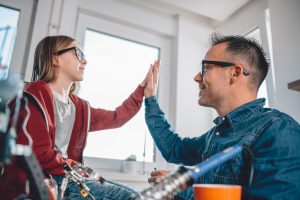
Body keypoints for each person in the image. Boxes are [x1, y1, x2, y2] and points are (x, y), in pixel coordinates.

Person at [143, 34, 300, 199]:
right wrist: (150, 99)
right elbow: (174, 148)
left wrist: (182, 190)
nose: (197, 77)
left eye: (205, 68)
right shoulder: (214, 136)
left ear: (235, 73)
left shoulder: (279, 131)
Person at [0, 35, 153, 199]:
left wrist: (142, 89)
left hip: (66, 180)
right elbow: (37, 153)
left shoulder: (80, 108)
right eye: (77, 53)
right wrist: (76, 167)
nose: (85, 61)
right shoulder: (32, 95)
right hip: (40, 183)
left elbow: (117, 117)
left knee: (135, 196)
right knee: (130, 197)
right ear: (55, 59)